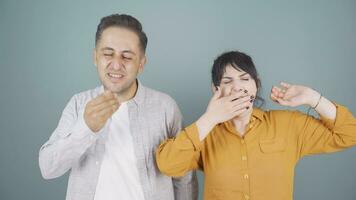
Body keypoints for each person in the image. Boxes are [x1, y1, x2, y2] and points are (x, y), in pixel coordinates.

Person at [156, 50, 356, 200]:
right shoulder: (204, 133)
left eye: (245, 79)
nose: (237, 87)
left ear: (256, 84)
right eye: (227, 81)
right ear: (215, 89)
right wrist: (209, 118)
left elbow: (349, 133)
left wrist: (313, 98)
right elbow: (168, 164)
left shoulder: (288, 125)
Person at [39, 14, 197, 200]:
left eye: (127, 57)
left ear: (141, 64)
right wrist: (85, 128)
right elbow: (48, 168)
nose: (116, 64)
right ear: (95, 57)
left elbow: (184, 177)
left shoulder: (166, 108)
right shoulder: (78, 104)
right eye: (107, 54)